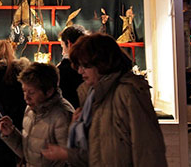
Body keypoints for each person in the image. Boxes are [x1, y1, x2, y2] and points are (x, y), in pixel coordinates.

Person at [41, 33, 167, 167]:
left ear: (102, 63)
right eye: (79, 66)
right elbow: (97, 152)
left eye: (86, 66)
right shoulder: (92, 95)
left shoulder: (127, 93)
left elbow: (148, 150)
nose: (80, 71)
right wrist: (69, 149)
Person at [0, 62, 74, 167]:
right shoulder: (30, 109)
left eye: (31, 92)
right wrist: (11, 134)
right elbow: (30, 155)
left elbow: (73, 159)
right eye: (24, 91)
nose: (26, 97)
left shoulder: (62, 115)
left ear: (49, 92)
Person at [57, 25, 86, 108]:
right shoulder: (92, 66)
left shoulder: (62, 69)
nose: (62, 52)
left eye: (62, 47)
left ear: (69, 44)